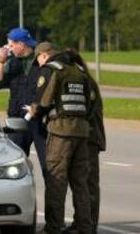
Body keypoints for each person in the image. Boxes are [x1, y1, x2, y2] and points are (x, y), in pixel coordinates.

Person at [30, 42, 92, 234]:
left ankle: (53, 227)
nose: (39, 64)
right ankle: (84, 226)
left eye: (38, 60)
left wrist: (35, 111)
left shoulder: (51, 70)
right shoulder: (79, 70)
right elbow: (89, 102)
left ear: (43, 55)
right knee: (80, 182)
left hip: (60, 133)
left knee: (57, 180)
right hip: (81, 132)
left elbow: (44, 101)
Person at [0, 28, 47, 171]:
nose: (9, 48)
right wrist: (1, 61)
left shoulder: (40, 60)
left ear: (21, 44)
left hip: (40, 120)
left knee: (48, 164)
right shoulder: (12, 62)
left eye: (11, 45)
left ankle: (52, 192)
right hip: (17, 121)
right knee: (15, 163)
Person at [63, 49, 106, 234]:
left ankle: (89, 226)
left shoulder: (85, 82)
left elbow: (86, 111)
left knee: (88, 184)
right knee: (79, 183)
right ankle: (81, 223)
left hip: (89, 138)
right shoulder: (84, 79)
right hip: (83, 137)